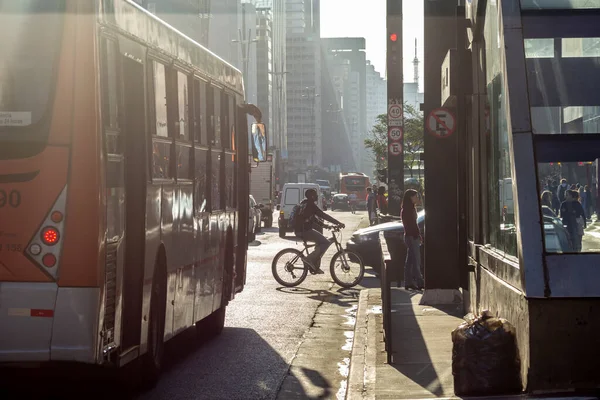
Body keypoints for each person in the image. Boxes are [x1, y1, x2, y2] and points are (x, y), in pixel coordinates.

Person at [294, 189, 345, 273]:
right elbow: (323, 215)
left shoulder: (305, 203)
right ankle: (309, 259)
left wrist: (325, 226)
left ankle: (315, 265)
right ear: (312, 196)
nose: (317, 196)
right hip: (305, 231)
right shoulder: (311, 205)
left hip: (301, 230)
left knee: (320, 241)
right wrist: (338, 223)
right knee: (325, 242)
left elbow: (313, 218)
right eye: (315, 195)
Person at [401, 189, 424, 290]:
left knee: (410, 260)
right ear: (410, 197)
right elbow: (412, 225)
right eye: (415, 196)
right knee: (416, 260)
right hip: (412, 236)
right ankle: (420, 282)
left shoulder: (408, 208)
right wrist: (417, 235)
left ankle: (408, 282)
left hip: (409, 236)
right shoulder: (408, 209)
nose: (417, 198)